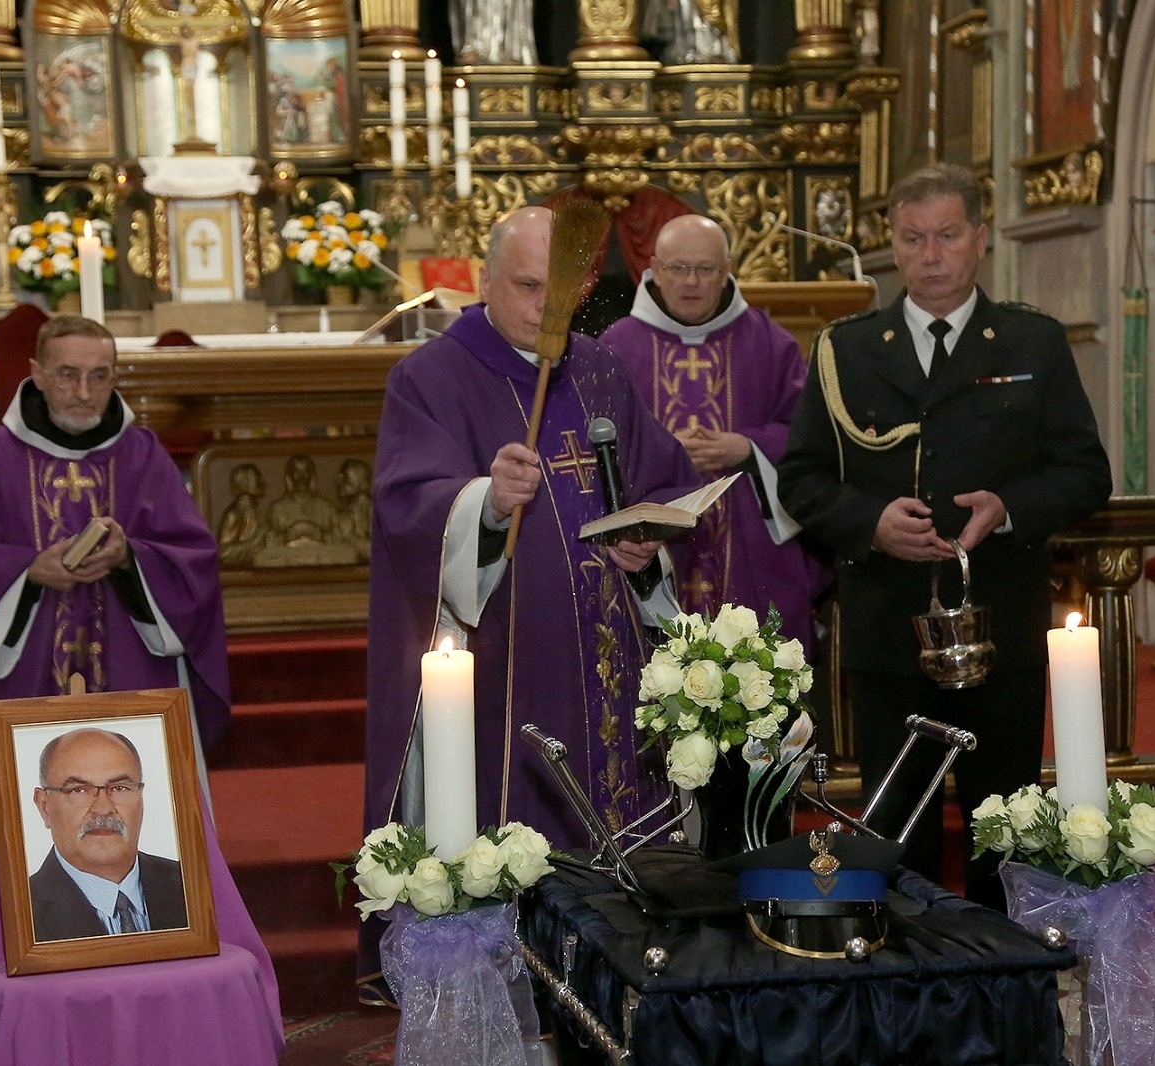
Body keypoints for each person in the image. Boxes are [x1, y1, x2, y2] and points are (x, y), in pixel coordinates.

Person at [364, 205, 699, 999]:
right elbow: (407, 506)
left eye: (564, 289)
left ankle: (627, 974)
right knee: (518, 821)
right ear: (483, 280)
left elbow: (663, 480)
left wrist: (644, 540)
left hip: (611, 657)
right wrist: (484, 500)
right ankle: (519, 980)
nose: (547, 307)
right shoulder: (430, 377)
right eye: (526, 286)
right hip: (511, 668)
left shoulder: (600, 368)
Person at [777, 163, 1111, 908]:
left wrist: (1008, 508)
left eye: (948, 236)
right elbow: (800, 480)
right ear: (891, 247)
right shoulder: (845, 349)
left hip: (1000, 629)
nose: (930, 255)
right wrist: (871, 524)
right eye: (912, 238)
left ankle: (1003, 970)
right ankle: (905, 972)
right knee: (898, 837)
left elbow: (1087, 474)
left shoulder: (1031, 342)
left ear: (981, 240)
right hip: (888, 632)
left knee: (1005, 831)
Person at [0, 315, 231, 748]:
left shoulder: (142, 456)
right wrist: (26, 571)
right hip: (17, 683)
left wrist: (129, 557)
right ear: (37, 375)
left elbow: (193, 560)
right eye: (67, 375)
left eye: (99, 376)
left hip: (129, 670)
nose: (84, 392)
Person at [600, 214, 821, 650]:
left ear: (727, 271)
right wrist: (661, 453)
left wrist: (749, 447)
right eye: (678, 268)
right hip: (651, 554)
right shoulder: (617, 346)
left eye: (705, 269)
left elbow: (810, 435)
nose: (691, 281)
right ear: (654, 269)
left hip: (750, 547)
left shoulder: (769, 343)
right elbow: (595, 444)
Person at [29, 727, 186, 942]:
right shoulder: (17, 913)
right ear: (44, 807)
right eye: (78, 790)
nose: (103, 809)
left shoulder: (191, 886)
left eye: (120, 788)